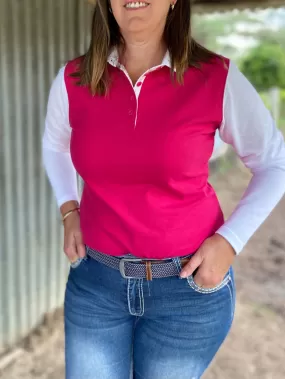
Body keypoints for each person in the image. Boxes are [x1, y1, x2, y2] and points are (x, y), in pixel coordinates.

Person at [42, 0, 285, 378]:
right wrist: (68, 208)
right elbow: (54, 144)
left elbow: (273, 162)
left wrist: (230, 241)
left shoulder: (215, 77)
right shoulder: (74, 78)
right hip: (96, 286)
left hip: (186, 293)